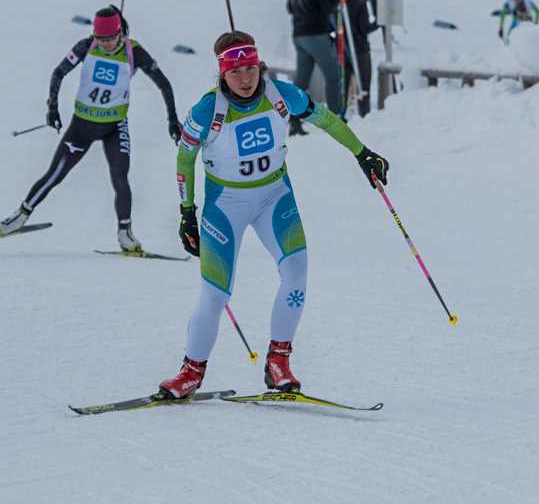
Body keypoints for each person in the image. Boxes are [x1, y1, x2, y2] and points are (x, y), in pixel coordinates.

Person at [156, 30, 390, 399]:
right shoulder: (208, 109)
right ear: (222, 74)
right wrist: (187, 212)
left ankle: (278, 361)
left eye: (251, 69)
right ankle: (191, 371)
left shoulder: (282, 94)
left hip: (274, 197)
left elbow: (326, 120)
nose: (246, 79)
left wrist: (363, 153)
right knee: (215, 295)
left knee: (296, 272)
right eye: (236, 72)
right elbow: (185, 157)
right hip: (224, 206)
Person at [0, 7, 182, 252]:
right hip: (82, 125)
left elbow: (164, 83)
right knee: (55, 174)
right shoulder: (86, 46)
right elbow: (58, 73)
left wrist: (172, 119)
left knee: (120, 177)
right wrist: (52, 108)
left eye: (109, 39)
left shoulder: (133, 52)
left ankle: (125, 232)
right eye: (100, 39)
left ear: (121, 33)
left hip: (115, 126)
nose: (104, 44)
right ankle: (21, 215)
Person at [286, 0, 348, 134]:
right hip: (316, 34)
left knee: (302, 81)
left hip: (298, 35)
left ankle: (294, 121)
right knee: (333, 76)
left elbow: (289, 8)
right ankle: (337, 118)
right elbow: (329, 6)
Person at [342, 0, 380, 117]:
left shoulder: (339, 3)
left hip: (342, 49)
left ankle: (341, 115)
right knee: (364, 85)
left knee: (343, 86)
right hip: (360, 50)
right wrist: (378, 23)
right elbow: (364, 28)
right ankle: (364, 115)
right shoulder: (359, 3)